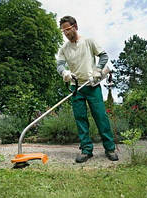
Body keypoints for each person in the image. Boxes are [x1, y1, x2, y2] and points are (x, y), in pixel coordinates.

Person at [56, 16, 118, 163]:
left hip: (92, 86)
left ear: (75, 26)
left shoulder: (88, 41)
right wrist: (64, 72)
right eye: (63, 31)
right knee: (80, 119)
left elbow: (104, 56)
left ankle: (110, 148)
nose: (65, 33)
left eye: (68, 29)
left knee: (101, 117)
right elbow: (59, 65)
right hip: (76, 88)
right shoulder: (64, 49)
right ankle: (86, 150)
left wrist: (97, 71)